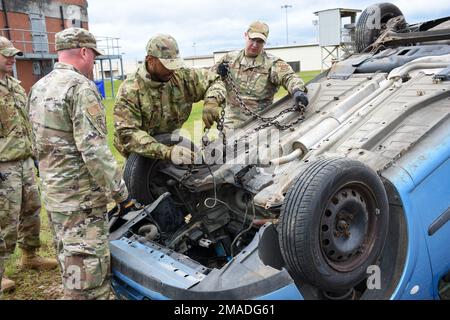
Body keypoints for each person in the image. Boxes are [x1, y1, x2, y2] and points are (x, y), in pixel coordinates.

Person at [28, 27, 136, 300]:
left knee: (70, 261)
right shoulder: (80, 88)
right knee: (89, 276)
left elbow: (35, 143)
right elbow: (94, 151)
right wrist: (122, 196)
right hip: (81, 201)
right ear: (85, 52)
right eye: (94, 58)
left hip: (55, 195)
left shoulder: (38, 87)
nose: (94, 65)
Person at [0, 36, 58, 295]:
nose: (12, 57)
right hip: (3, 164)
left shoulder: (13, 84)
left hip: (23, 159)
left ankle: (29, 255)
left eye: (13, 53)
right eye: (6, 54)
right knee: (5, 218)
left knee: (32, 209)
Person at [113, 34, 226, 164]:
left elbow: (214, 80)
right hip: (140, 155)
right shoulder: (130, 90)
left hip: (172, 144)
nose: (172, 70)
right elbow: (127, 133)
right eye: (167, 64)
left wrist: (212, 101)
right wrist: (166, 152)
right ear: (150, 60)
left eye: (175, 63)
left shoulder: (182, 77)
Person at [211, 21, 309, 129]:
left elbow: (289, 77)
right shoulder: (229, 59)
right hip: (231, 122)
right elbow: (208, 79)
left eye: (260, 41)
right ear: (245, 36)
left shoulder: (272, 63)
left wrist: (297, 90)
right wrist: (218, 74)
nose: (255, 45)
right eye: (252, 39)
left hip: (261, 121)